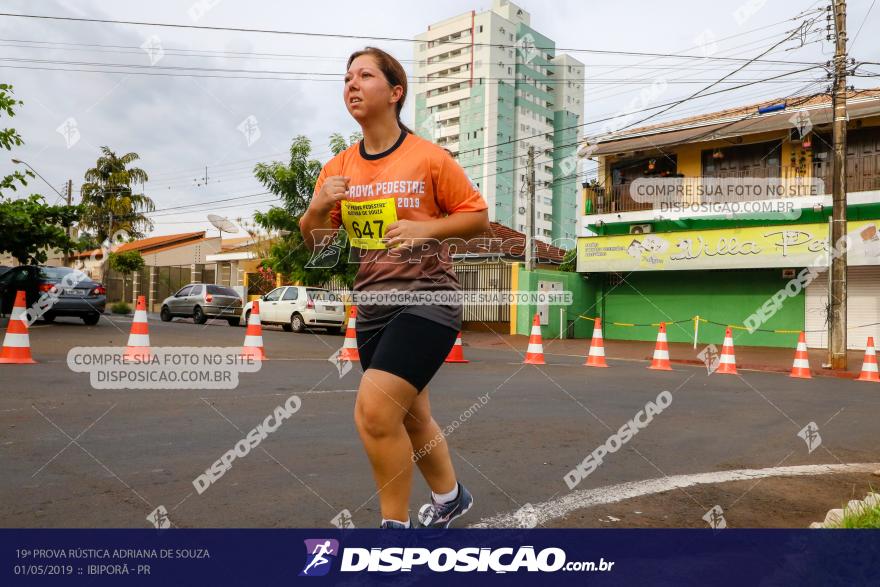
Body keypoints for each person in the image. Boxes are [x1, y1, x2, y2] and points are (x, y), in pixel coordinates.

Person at [300, 46, 490, 529]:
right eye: (347, 77)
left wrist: (426, 230)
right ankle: (450, 499)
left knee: (375, 414)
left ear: (395, 92)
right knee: (410, 417)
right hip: (374, 307)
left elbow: (477, 217)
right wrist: (318, 208)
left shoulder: (428, 157)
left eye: (365, 75)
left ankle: (394, 535)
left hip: (428, 300)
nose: (352, 84)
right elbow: (320, 249)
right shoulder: (337, 168)